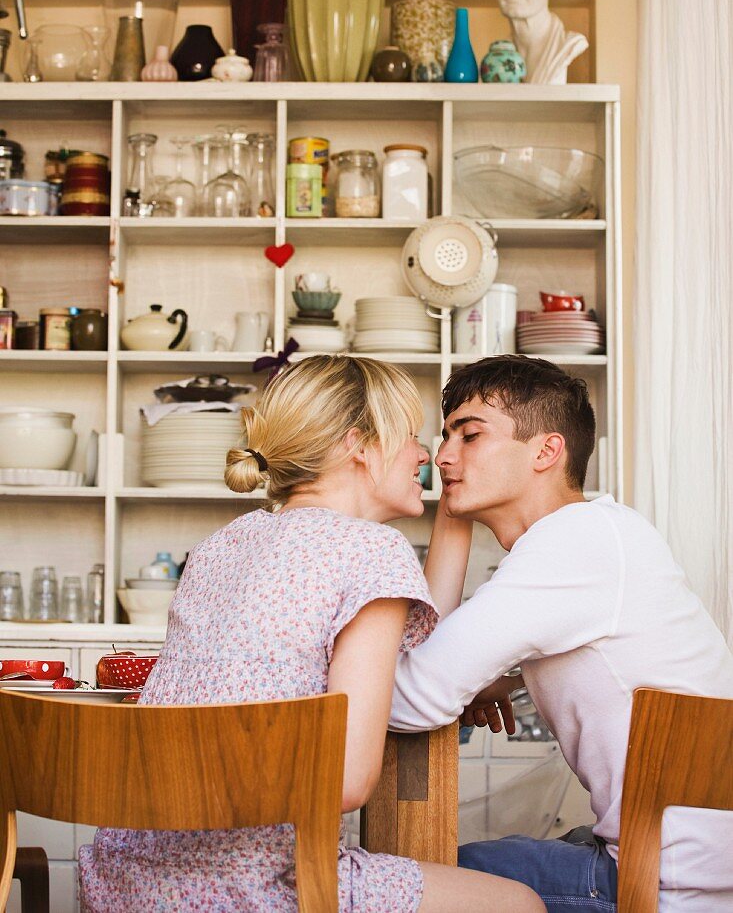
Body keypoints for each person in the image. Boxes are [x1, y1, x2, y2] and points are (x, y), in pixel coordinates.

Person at [78, 355, 544, 913]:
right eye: (410, 436)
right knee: (519, 904)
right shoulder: (369, 552)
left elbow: (420, 647)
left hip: (127, 878)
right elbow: (347, 782)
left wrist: (454, 510)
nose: (429, 456)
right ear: (359, 445)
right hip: (252, 886)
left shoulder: (225, 543)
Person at [391, 354, 733, 913]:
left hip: (663, 882)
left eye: (469, 436)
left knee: (400, 871)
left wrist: (450, 518)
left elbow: (410, 700)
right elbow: (616, 671)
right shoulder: (603, 533)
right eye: (444, 437)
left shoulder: (571, 543)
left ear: (547, 452)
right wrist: (502, 678)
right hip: (694, 868)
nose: (441, 455)